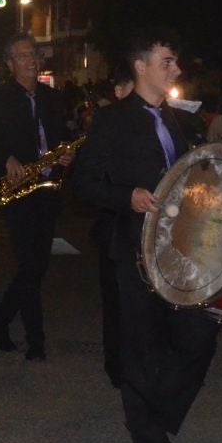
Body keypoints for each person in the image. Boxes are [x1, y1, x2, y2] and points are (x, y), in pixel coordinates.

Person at [72, 30, 219, 443]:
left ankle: (156, 411)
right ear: (141, 67)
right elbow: (83, 181)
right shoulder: (114, 120)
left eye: (175, 62)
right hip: (134, 248)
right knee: (140, 347)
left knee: (198, 337)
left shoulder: (174, 119)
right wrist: (126, 196)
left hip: (179, 248)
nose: (175, 69)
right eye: (167, 62)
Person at [0, 34, 69, 361]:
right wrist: (6, 158)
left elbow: (61, 137)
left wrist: (65, 156)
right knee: (30, 264)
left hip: (47, 188)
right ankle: (35, 338)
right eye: (23, 55)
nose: (31, 59)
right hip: (18, 190)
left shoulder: (53, 98)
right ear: (10, 63)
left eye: (34, 53)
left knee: (36, 265)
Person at [89, 71, 135, 388]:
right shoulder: (108, 121)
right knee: (116, 297)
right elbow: (92, 180)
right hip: (116, 223)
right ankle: (116, 362)